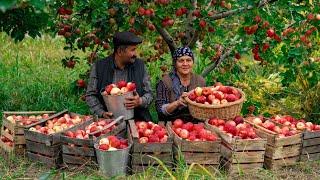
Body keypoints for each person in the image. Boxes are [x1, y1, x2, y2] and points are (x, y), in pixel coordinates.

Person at [86, 31, 153, 120]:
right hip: (108, 122)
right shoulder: (99, 67)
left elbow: (149, 93)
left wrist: (140, 101)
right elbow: (90, 95)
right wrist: (101, 113)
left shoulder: (140, 66)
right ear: (120, 51)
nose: (135, 54)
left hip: (137, 121)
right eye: (132, 50)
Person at [156, 46, 206, 122]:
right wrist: (177, 103)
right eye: (181, 61)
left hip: (196, 125)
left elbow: (205, 106)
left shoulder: (200, 81)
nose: (185, 64)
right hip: (171, 124)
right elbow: (160, 110)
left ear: (193, 62)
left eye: (188, 60)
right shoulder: (165, 82)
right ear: (175, 64)